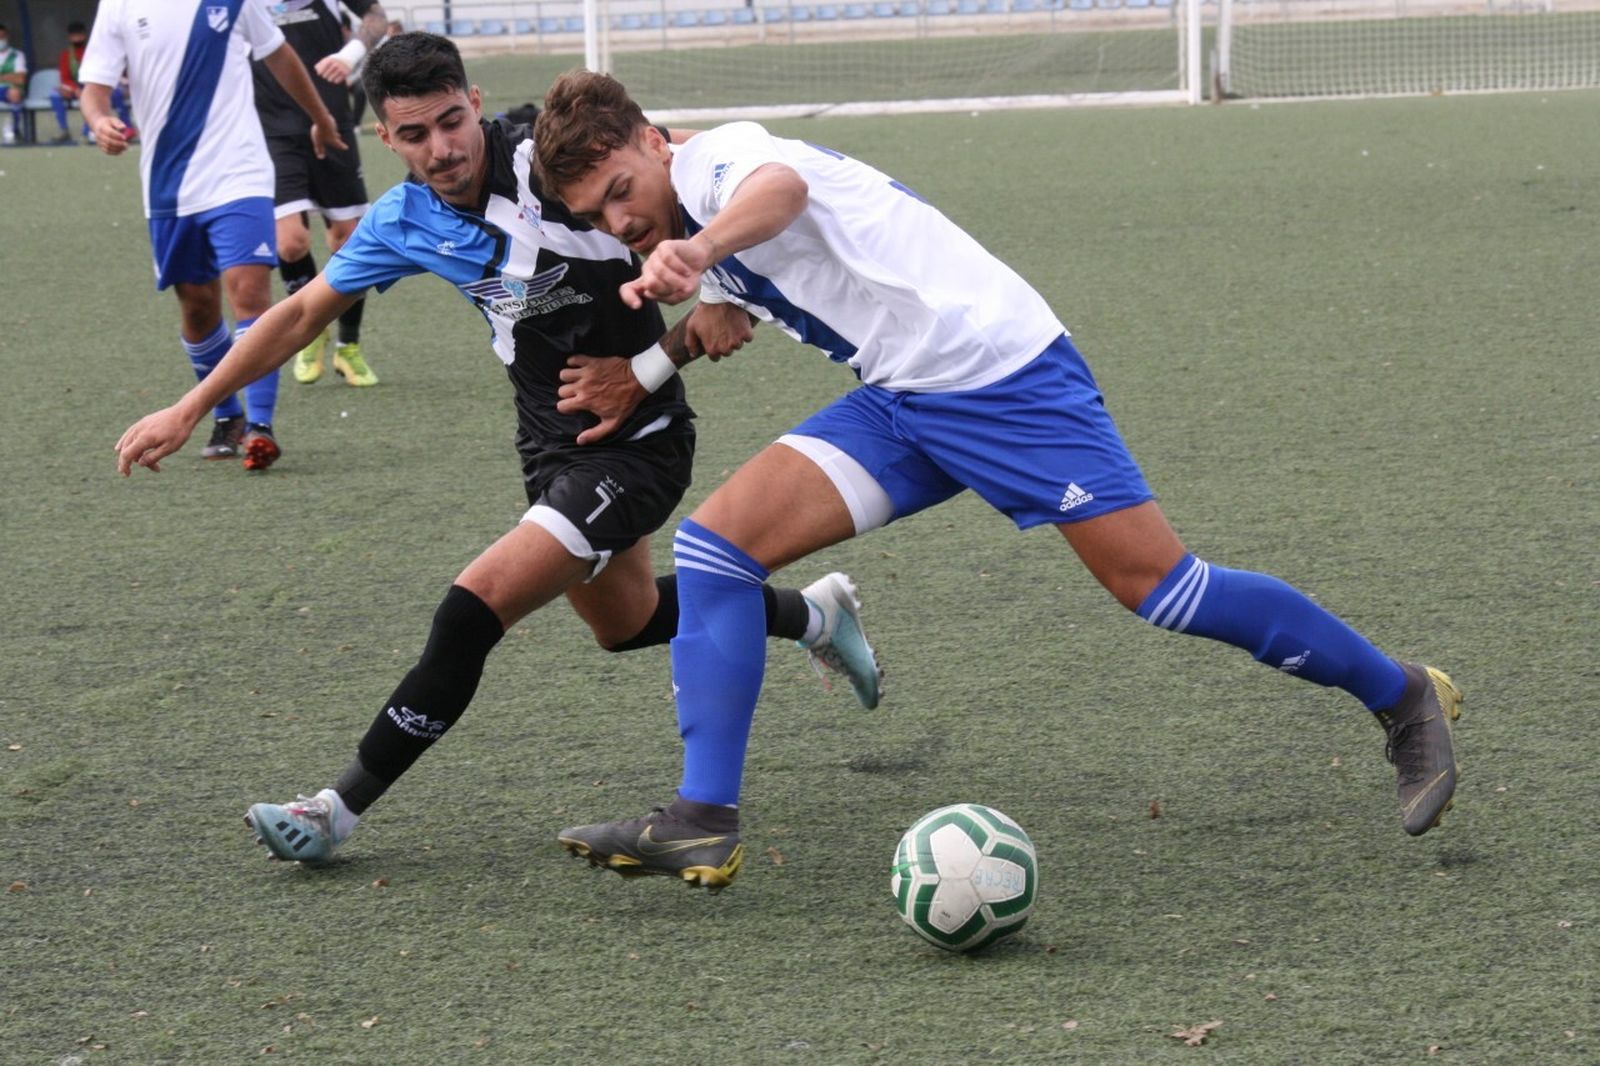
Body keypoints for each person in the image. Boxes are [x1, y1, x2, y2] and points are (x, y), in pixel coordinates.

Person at [531, 71, 1465, 892]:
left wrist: (697, 258)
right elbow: (722, 318)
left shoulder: (720, 164)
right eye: (597, 216)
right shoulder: (691, 218)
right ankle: (702, 819)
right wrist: (651, 365)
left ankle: (1402, 693)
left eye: (621, 191)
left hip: (1001, 378)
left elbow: (780, 189)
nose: (621, 220)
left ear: (655, 142)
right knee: (717, 548)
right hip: (905, 396)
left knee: (1162, 588)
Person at [112, 32, 884, 867]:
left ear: (475, 102)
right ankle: (812, 614)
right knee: (627, 626)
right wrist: (193, 406)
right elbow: (299, 317)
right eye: (415, 135)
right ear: (387, 139)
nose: (440, 149)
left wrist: (722, 296)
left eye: (451, 122)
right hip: (550, 442)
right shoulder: (403, 221)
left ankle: (335, 808)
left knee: (470, 610)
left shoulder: (553, 160)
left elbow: (682, 169)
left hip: (639, 442)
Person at [82, 0, 346, 472]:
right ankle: (227, 415)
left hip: (239, 173)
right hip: (169, 184)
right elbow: (95, 88)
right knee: (198, 307)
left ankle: (260, 428)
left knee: (249, 292)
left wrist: (320, 117)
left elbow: (280, 55)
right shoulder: (119, 5)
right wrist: (100, 121)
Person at [253, 0, 387, 389]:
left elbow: (376, 17)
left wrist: (350, 56)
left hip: (332, 120)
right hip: (270, 127)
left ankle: (348, 345)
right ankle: (310, 331)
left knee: (348, 239)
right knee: (291, 243)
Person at [50, 20, 134, 146]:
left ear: (85, 35)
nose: (77, 38)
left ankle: (126, 128)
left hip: (94, 85)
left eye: (79, 35)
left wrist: (89, 89)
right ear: (69, 37)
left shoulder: (93, 51)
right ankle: (64, 130)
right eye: (74, 35)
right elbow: (65, 79)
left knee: (115, 93)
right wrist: (75, 90)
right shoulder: (66, 55)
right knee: (55, 95)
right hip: (76, 88)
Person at [0, 24, 24, 145]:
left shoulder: (17, 55)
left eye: (2, 37)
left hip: (9, 89)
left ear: (7, 37)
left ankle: (15, 129)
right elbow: (15, 76)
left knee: (15, 93)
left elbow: (20, 79)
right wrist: (9, 76)